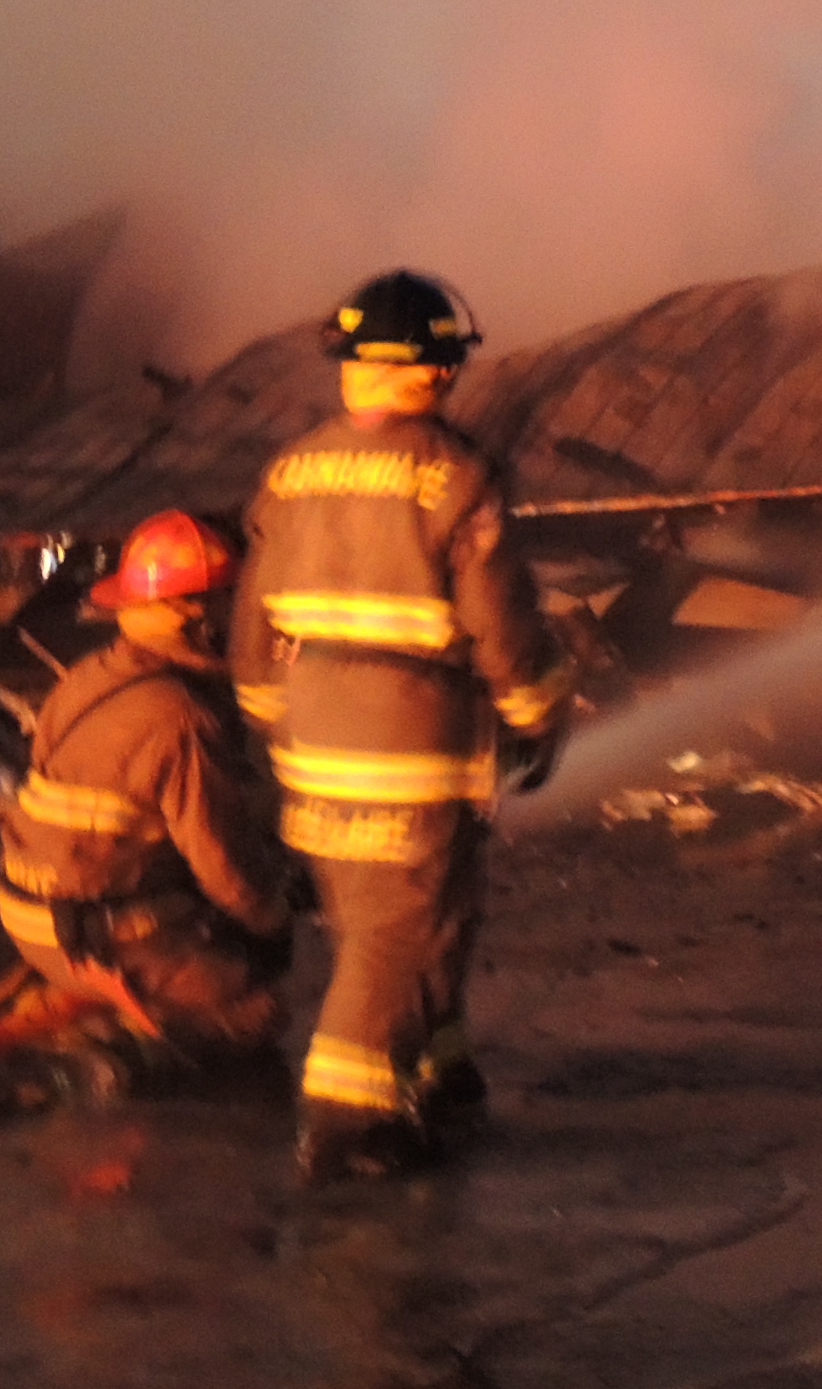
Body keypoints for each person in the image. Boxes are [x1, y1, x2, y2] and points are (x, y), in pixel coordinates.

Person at [234, 268, 570, 1181]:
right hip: (412, 749)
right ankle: (347, 1123)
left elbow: (254, 625)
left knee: (416, 916)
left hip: (312, 747)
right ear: (435, 367)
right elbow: (503, 626)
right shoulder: (454, 476)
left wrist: (277, 729)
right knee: (394, 936)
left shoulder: (290, 471)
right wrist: (539, 714)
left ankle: (432, 1062)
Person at [0, 507, 291, 1081]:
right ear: (198, 616)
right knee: (256, 1011)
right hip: (113, 938)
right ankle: (122, 1049)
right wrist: (272, 917)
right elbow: (227, 872)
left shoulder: (83, 682)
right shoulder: (182, 718)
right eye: (232, 604)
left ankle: (102, 1000)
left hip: (32, 923)